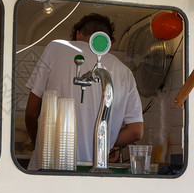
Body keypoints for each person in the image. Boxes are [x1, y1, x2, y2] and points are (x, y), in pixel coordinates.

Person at [25, 13, 143, 170]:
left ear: (77, 34)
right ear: (109, 42)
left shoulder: (55, 48)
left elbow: (31, 113)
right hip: (93, 170)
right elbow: (136, 131)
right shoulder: (124, 72)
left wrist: (37, 143)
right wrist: (102, 144)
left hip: (50, 166)